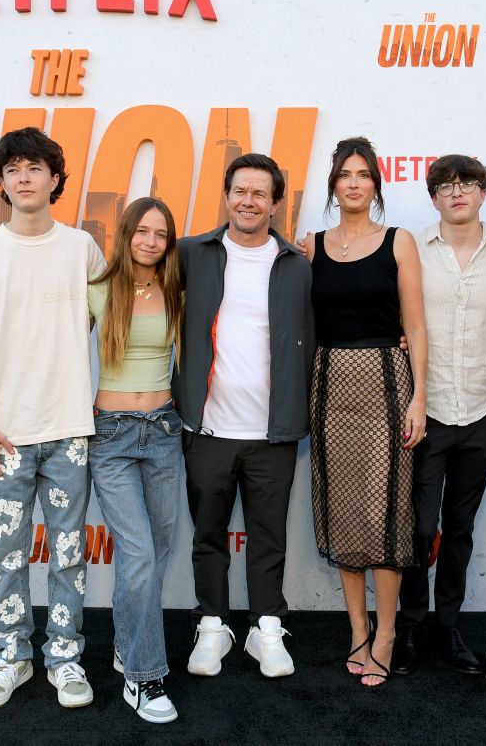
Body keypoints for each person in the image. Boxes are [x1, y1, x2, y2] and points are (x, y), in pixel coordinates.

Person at [0, 127, 105, 711]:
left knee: (68, 554)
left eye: (36, 167)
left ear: (56, 179)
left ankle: (65, 658)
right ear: (1, 182)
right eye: (13, 169)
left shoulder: (82, 247)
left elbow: (99, 321)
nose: (25, 177)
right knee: (5, 555)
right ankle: (11, 657)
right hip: (2, 436)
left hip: (68, 431)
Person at [173, 152, 315, 678]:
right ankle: (212, 623)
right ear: (227, 196)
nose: (249, 200)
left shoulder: (299, 265)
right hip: (206, 428)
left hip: (273, 433)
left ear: (276, 203)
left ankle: (266, 628)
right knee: (207, 535)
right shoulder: (192, 253)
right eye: (240, 190)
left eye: (260, 192)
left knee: (268, 536)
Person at [304, 137, 428, 687]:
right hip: (329, 386)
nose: (354, 182)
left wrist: (420, 395)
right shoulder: (310, 247)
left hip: (385, 383)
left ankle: (386, 634)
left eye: (364, 174)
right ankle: (357, 630)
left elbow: (417, 326)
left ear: (376, 184)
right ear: (333, 184)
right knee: (344, 511)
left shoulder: (400, 242)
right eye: (345, 174)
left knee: (387, 513)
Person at [395, 155, 486, 677]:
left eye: (468, 184)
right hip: (428, 410)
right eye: (445, 186)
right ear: (433, 197)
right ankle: (408, 625)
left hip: (483, 410)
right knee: (419, 528)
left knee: (460, 529)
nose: (457, 193)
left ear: (483, 193)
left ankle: (447, 628)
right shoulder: (413, 249)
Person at [87, 197, 183, 723]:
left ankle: (128, 647)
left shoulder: (176, 290)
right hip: (113, 438)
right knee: (140, 556)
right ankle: (146, 679)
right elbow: (52, 349)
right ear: (126, 235)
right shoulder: (98, 291)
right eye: (142, 231)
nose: (150, 241)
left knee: (152, 554)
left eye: (160, 234)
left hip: (164, 432)